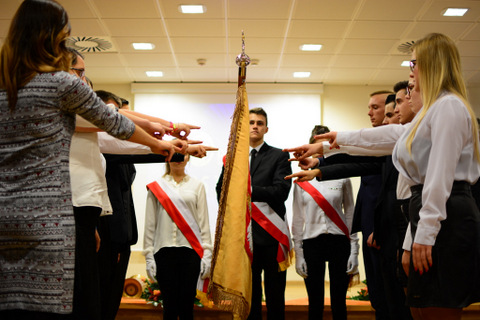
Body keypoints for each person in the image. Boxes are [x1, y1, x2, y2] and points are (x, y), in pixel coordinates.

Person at [0, 1, 178, 319]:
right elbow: (114, 122)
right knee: (68, 305)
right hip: (52, 219)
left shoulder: (7, 85)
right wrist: (158, 140)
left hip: (9, 215)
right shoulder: (59, 84)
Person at [289, 33, 480, 320]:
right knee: (419, 307)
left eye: (413, 63)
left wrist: (425, 234)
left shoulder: (449, 106)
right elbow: (389, 136)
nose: (410, 71)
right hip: (428, 214)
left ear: (432, 63)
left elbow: (440, 178)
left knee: (436, 308)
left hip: (446, 215)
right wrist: (327, 145)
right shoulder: (430, 112)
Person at [216, 107, 292, 320]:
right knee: (251, 296)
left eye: (259, 123)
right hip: (243, 237)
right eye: (251, 122)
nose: (255, 126)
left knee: (275, 296)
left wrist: (248, 192)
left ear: (266, 128)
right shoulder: (232, 157)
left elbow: (281, 192)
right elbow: (220, 190)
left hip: (271, 236)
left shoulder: (280, 156)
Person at [292, 125, 358, 320]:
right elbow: (297, 218)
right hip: (312, 242)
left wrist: (354, 250)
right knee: (315, 304)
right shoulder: (302, 179)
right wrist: (299, 254)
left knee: (339, 303)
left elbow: (350, 213)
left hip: (339, 241)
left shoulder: (342, 176)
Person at [143, 154, 212, 320]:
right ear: (166, 157)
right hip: (163, 252)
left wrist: (208, 254)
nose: (179, 157)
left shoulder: (197, 185)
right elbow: (150, 223)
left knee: (187, 307)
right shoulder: (157, 186)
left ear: (188, 157)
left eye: (182, 153)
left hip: (190, 252)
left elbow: (204, 222)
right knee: (169, 307)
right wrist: (148, 256)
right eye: (174, 153)